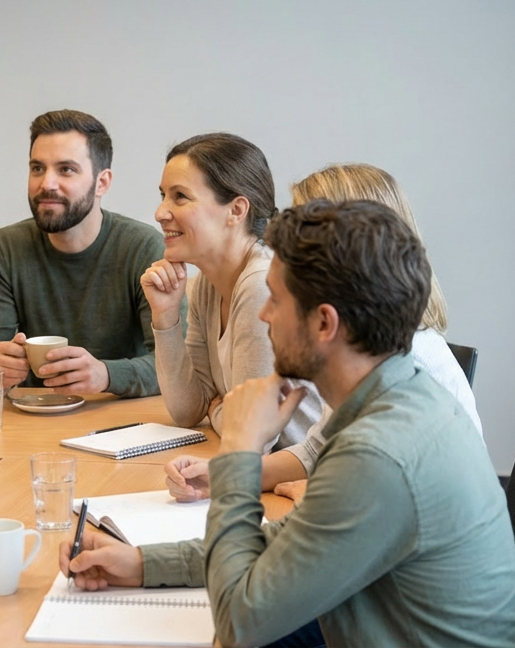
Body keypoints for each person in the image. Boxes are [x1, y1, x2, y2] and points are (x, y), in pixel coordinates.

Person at [61, 200, 515, 647]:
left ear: (325, 324)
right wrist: (143, 563)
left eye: (277, 299)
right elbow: (290, 543)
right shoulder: (397, 394)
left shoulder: (378, 453)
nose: (264, 314)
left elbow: (241, 624)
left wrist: (242, 452)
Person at [165, 163, 482, 504]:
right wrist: (227, 476)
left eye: (309, 225)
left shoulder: (401, 374)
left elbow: (246, 555)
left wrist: (241, 452)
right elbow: (316, 448)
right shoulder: (364, 352)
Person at [0, 109, 166, 398]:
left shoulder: (144, 247)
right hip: (33, 416)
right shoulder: (6, 246)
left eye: (66, 169)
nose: (47, 184)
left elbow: (175, 367)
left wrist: (106, 375)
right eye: (37, 168)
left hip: (119, 417)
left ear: (102, 183)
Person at [140, 133, 324, 445]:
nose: (161, 213)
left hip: (297, 479)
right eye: (163, 196)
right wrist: (166, 315)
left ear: (236, 210)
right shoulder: (207, 286)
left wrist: (218, 413)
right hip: (263, 473)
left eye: (180, 196)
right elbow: (187, 410)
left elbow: (253, 435)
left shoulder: (262, 286)